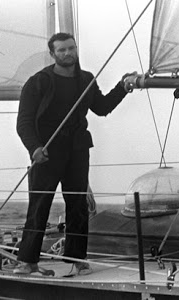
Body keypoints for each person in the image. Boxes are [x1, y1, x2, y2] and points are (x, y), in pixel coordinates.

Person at [14, 32, 134, 275]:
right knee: (40, 204)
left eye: (71, 48)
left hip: (77, 149)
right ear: (52, 54)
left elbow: (102, 108)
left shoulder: (86, 80)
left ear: (76, 49)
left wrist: (123, 87)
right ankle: (28, 262)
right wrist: (34, 148)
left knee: (78, 204)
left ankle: (77, 258)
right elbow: (23, 122)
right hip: (46, 151)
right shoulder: (38, 82)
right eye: (61, 50)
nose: (67, 53)